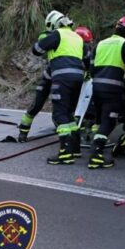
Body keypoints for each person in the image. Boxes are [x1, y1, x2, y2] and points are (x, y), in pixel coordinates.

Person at [32, 10, 85, 165]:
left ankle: (65, 152)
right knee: (70, 113)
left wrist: (44, 37)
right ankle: (75, 149)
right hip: (78, 78)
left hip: (62, 78)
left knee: (59, 114)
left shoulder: (57, 35)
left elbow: (36, 50)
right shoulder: (77, 37)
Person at [88, 15, 125, 169]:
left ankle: (95, 149)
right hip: (113, 89)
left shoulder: (101, 43)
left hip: (97, 88)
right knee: (109, 121)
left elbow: (91, 68)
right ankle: (95, 155)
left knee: (101, 120)